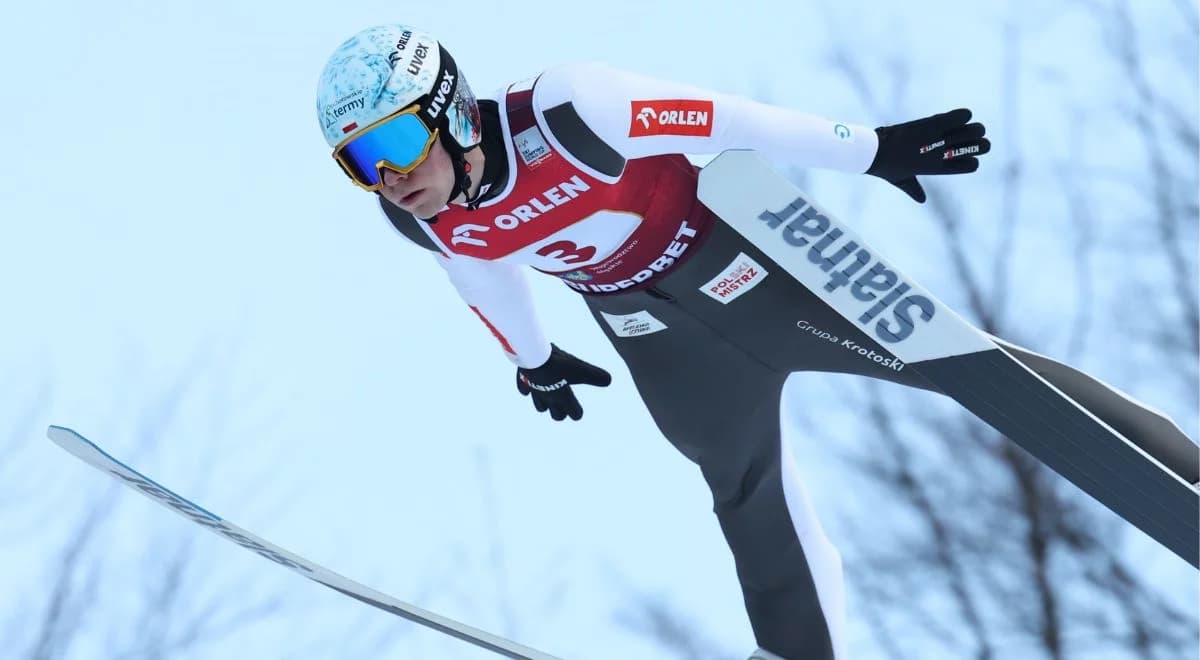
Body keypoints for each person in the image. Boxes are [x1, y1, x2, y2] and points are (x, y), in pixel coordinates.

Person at [314, 24, 1198, 660]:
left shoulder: (572, 110)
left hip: (757, 266)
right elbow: (485, 270)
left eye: (393, 142)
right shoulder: (430, 227)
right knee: (742, 488)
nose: (389, 179)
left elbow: (726, 120)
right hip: (656, 336)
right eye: (359, 163)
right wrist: (532, 359)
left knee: (969, 366)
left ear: (449, 110)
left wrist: (869, 149)